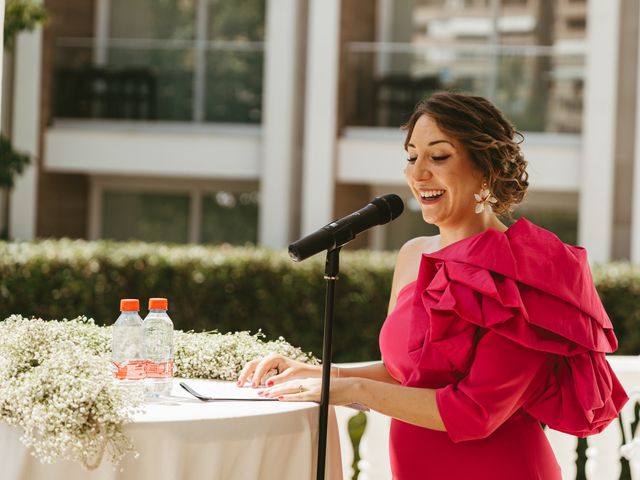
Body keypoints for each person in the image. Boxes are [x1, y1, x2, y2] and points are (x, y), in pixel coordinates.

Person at [236, 92, 628, 479]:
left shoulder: (525, 269)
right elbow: (406, 375)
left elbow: (475, 412)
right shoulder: (412, 255)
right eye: (411, 157)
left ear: (486, 168)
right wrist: (320, 374)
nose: (417, 173)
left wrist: (353, 388)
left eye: (438, 156)